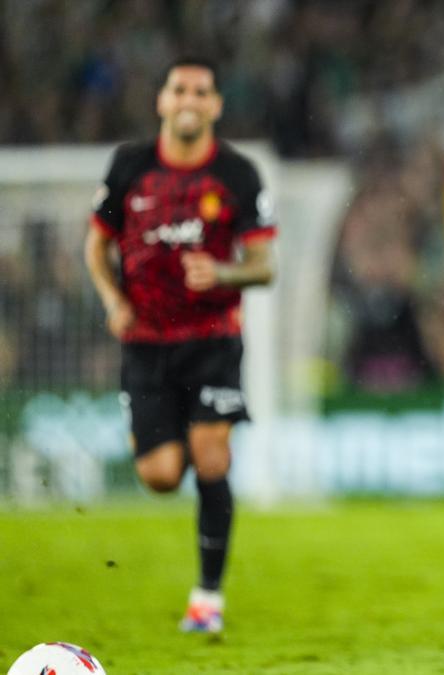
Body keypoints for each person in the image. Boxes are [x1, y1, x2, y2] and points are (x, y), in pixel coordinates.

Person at [84, 56, 276, 634]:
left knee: (212, 458)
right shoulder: (129, 167)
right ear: (162, 102)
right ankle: (197, 436)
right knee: (163, 476)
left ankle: (206, 600)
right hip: (145, 344)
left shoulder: (239, 175)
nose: (189, 98)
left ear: (215, 105)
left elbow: (263, 267)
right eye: (179, 89)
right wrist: (113, 300)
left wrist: (221, 274)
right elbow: (95, 248)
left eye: (201, 90)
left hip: (213, 340)